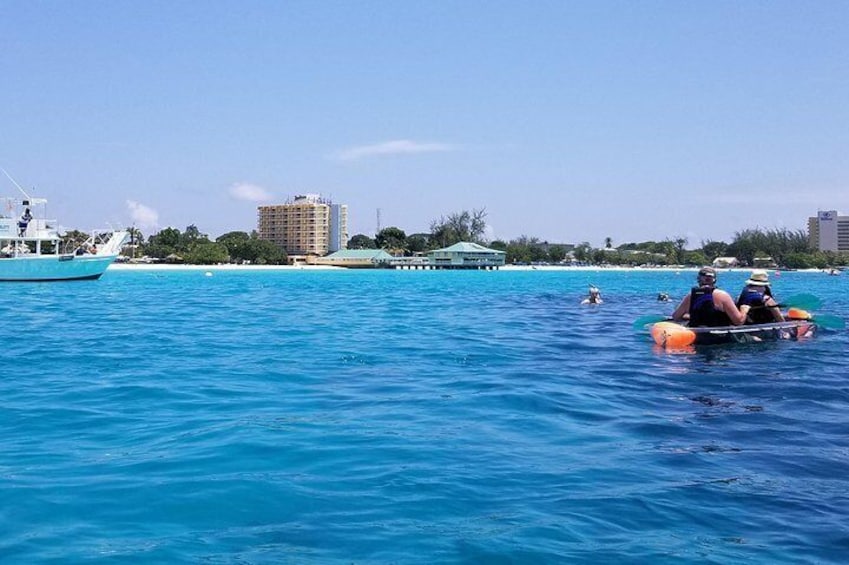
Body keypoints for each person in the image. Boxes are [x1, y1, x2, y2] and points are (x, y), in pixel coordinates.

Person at [672, 266, 747, 327]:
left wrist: (690, 316)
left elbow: (676, 317)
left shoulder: (690, 296)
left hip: (697, 337)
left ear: (698, 279)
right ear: (714, 280)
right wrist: (744, 310)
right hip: (719, 337)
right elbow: (738, 321)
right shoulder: (723, 296)